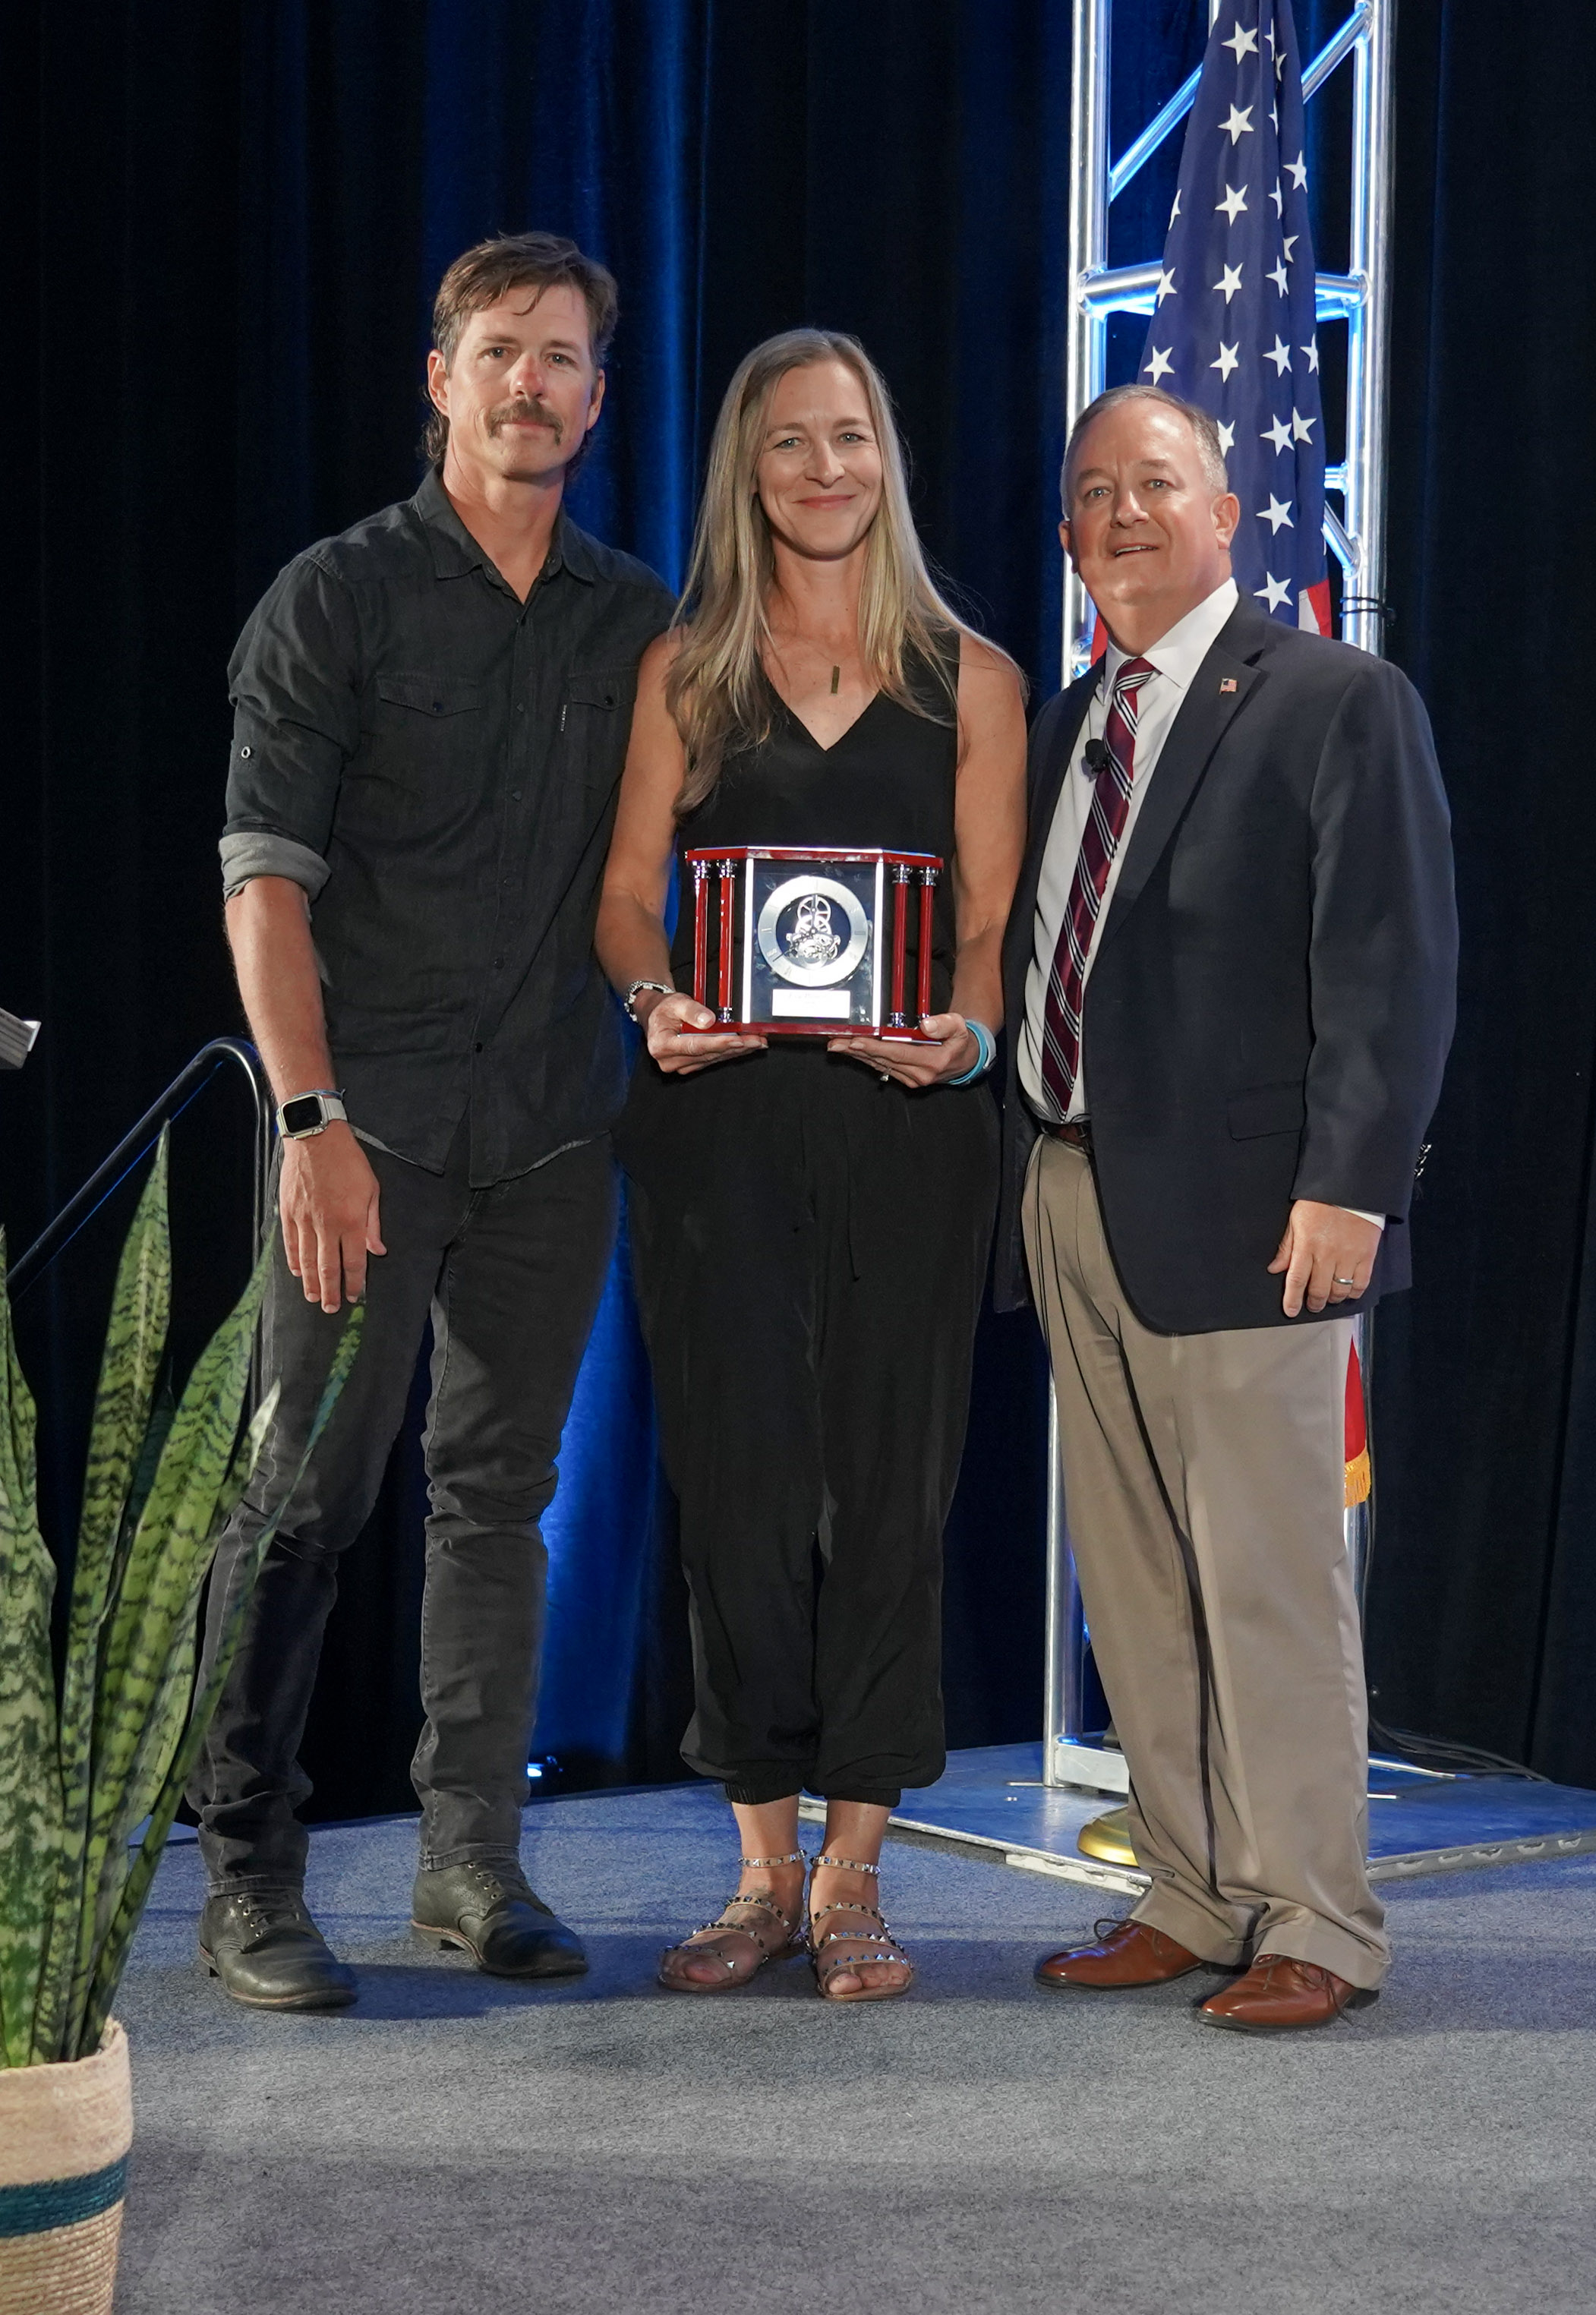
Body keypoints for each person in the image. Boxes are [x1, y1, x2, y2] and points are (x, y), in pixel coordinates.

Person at [194, 232, 676, 2013]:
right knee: (301, 1498)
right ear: (440, 378)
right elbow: (263, 886)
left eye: (560, 358)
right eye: (498, 351)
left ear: (595, 401)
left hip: (549, 1132)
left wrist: (670, 999)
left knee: (495, 1502)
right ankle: (246, 1875)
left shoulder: (637, 621)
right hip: (364, 1132)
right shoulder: (334, 599)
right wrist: (309, 1119)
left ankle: (470, 1861)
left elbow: (640, 884)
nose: (528, 383)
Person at [1008, 383, 1454, 2035]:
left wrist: (1349, 1185)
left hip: (1260, 1218)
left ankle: (1316, 1918)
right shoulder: (1066, 721)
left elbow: (1392, 962)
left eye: (1156, 482)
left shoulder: (1335, 698)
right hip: (1070, 1194)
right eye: (1093, 490)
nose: (1123, 510)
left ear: (1225, 515)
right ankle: (1191, 1888)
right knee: (1131, 1582)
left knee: (1267, 1582)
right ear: (1068, 535)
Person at [595, 330, 1025, 2001]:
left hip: (911, 1131)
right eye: (791, 441)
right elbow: (625, 893)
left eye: (850, 437)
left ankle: (855, 1879)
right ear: (747, 469)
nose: (825, 468)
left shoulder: (971, 677)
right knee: (741, 1496)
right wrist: (653, 999)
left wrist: (966, 1042)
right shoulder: (685, 670)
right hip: (718, 1130)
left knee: (888, 1499)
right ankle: (761, 1873)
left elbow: (985, 927)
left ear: (884, 457)